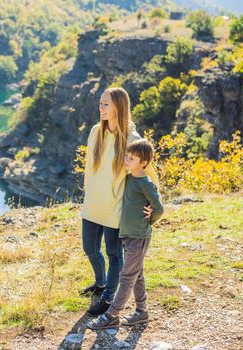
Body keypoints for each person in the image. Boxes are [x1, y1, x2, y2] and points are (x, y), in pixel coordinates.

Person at [80, 87, 159, 316]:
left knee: (114, 255)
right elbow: (88, 166)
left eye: (106, 104)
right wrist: (86, 193)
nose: (101, 108)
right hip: (92, 203)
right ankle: (100, 282)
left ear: (119, 107)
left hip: (115, 208)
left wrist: (152, 204)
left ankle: (108, 297)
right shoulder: (96, 131)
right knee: (90, 249)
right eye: (100, 103)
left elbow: (150, 175)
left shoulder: (133, 140)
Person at [87, 139, 164, 329]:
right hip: (129, 235)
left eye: (131, 158)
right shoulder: (129, 178)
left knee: (127, 276)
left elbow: (159, 208)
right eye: (127, 157)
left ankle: (112, 315)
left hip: (139, 236)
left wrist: (149, 219)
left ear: (143, 163)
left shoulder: (145, 183)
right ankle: (142, 312)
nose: (126, 160)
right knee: (137, 275)